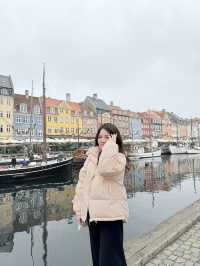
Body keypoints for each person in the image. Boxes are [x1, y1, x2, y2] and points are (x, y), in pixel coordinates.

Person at [73, 123, 129, 266]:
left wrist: (111, 147)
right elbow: (82, 186)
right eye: (100, 137)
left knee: (111, 261)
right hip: (94, 216)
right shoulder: (90, 159)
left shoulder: (119, 158)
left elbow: (105, 169)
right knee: (97, 259)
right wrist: (80, 210)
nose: (102, 140)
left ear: (115, 138)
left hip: (111, 216)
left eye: (107, 137)